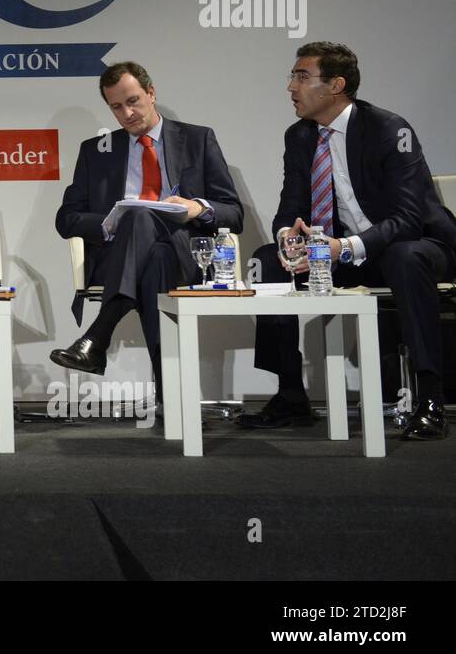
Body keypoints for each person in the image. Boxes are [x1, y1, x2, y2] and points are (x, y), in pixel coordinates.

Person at [241, 42, 456, 438]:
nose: (291, 86)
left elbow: (408, 219)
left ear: (336, 85)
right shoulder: (299, 137)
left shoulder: (389, 129)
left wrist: (345, 247)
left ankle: (430, 397)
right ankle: (290, 394)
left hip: (413, 246)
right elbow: (289, 207)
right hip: (334, 254)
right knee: (267, 260)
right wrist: (289, 238)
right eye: (292, 76)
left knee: (405, 256)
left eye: (301, 77)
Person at [54, 61, 243, 397]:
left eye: (133, 101)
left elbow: (234, 213)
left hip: (189, 252)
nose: (127, 113)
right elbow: (66, 219)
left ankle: (98, 335)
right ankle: (170, 398)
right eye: (116, 107)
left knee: (147, 225)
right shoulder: (95, 151)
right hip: (122, 256)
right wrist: (113, 223)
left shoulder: (198, 139)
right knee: (151, 249)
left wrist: (196, 208)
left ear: (151, 93)